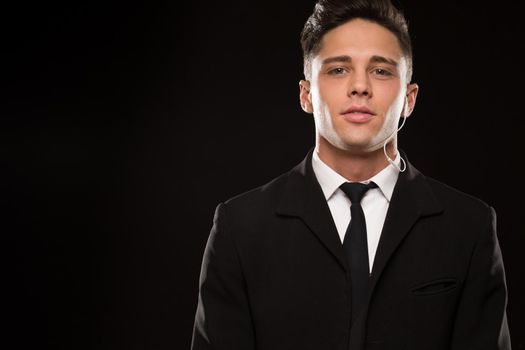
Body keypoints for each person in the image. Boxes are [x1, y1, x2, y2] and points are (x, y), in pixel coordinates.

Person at [191, 0, 511, 349]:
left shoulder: (469, 227)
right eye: (338, 69)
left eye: (381, 71)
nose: (360, 87)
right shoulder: (240, 227)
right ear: (306, 94)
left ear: (409, 97)